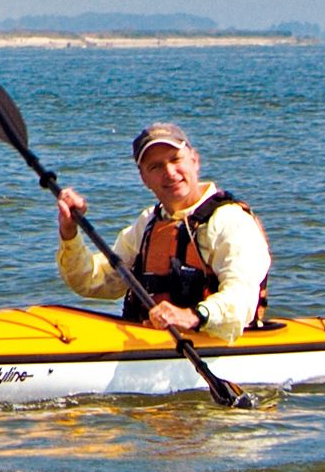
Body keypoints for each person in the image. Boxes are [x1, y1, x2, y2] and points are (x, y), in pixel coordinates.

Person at [52, 120, 272, 337]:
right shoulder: (148, 222)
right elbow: (92, 281)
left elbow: (242, 296)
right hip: (155, 345)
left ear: (194, 160)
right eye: (155, 167)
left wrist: (194, 315)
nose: (170, 172)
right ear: (144, 178)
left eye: (176, 159)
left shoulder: (231, 221)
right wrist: (70, 233)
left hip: (215, 345)